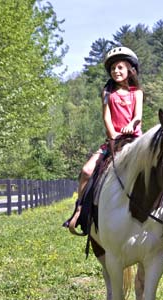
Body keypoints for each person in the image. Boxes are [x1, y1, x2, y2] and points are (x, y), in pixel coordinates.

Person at [64, 46, 143, 235]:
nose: (116, 71)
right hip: (113, 140)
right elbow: (106, 117)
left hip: (134, 141)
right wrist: (113, 135)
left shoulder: (136, 93)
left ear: (130, 70)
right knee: (86, 170)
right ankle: (80, 210)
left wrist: (131, 125)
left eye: (120, 67)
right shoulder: (108, 93)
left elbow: (138, 116)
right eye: (113, 68)